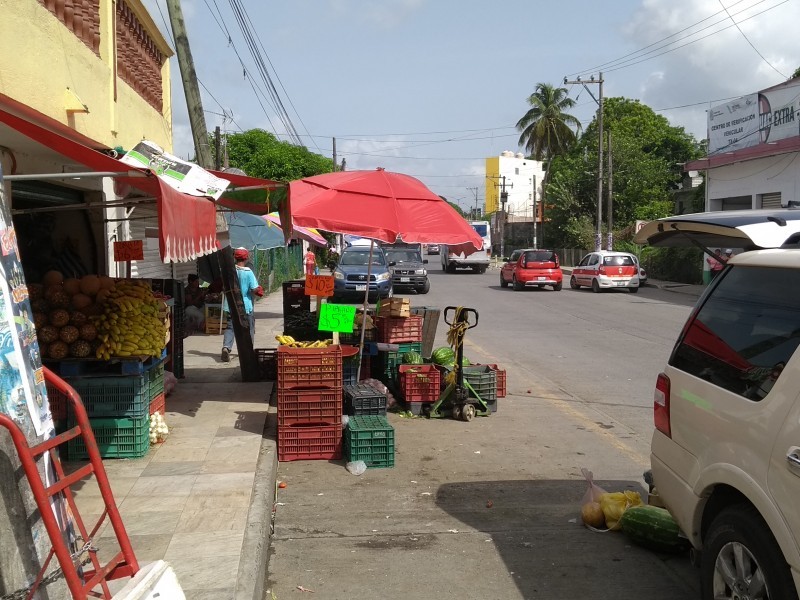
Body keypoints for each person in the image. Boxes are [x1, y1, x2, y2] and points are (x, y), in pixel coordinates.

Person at [221, 248, 264, 362]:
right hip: (245, 305)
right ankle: (248, 351)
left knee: (230, 327)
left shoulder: (229, 271)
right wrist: (259, 290)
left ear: (235, 257)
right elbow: (254, 289)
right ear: (246, 258)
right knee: (248, 327)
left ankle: (226, 347)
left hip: (230, 304)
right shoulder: (248, 272)